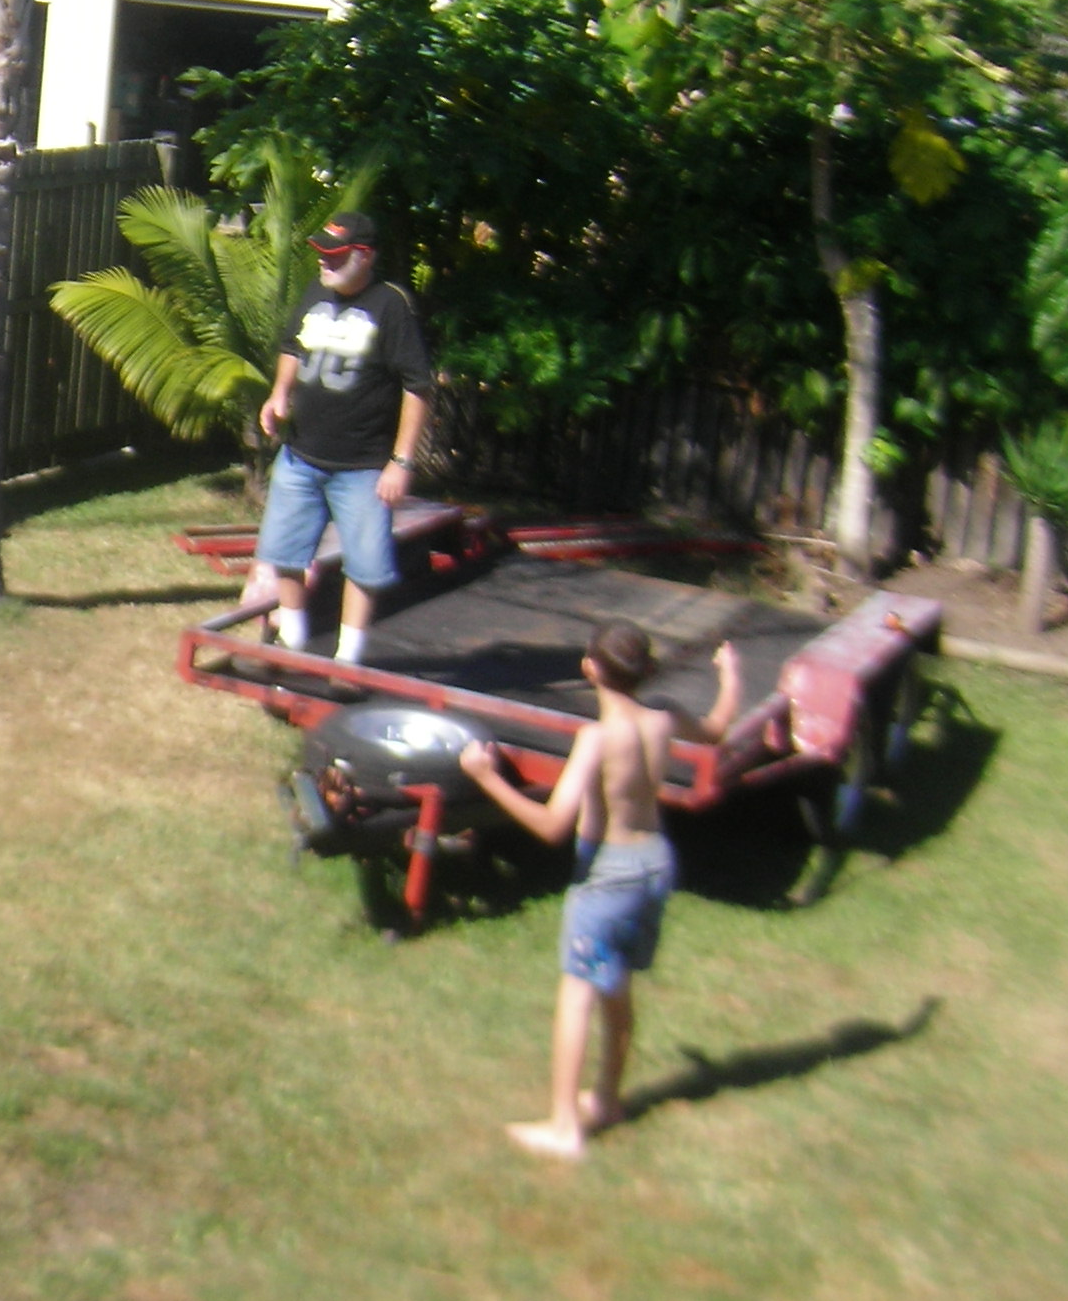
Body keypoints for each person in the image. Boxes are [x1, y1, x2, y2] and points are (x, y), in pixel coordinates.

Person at [461, 622, 743, 1160]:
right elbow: (716, 729)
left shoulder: (596, 740)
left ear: (590, 668)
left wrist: (485, 778)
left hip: (608, 874)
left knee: (578, 993)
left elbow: (551, 825)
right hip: (655, 862)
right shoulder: (662, 719)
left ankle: (565, 1127)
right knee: (616, 986)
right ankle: (608, 1100)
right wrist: (730, 676)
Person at [252, 212, 434, 665]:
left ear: (364, 256)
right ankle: (293, 638)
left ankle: (348, 659)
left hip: (363, 468)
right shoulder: (317, 292)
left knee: (365, 565)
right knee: (285, 549)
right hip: (301, 454)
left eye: (335, 258)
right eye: (321, 255)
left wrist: (402, 462)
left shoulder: (391, 306)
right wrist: (279, 394)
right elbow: (292, 345)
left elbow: (418, 387)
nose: (324, 265)